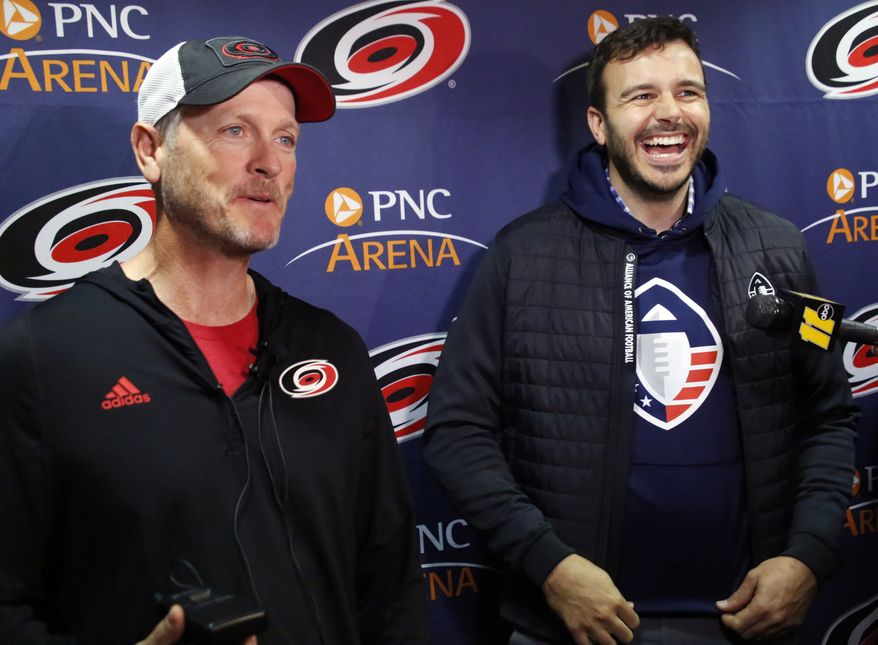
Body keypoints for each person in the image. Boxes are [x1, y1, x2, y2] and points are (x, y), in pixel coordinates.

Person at [423, 17, 858, 645]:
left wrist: (809, 556)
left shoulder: (778, 248)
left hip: (747, 623)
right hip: (572, 627)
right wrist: (551, 566)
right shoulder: (524, 255)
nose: (669, 113)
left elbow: (828, 415)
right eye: (641, 95)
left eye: (687, 92)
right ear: (599, 124)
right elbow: (458, 432)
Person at [0, 36, 425, 644]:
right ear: (151, 151)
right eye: (234, 130)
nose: (269, 163)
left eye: (285, 138)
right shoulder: (44, 357)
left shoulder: (332, 347)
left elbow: (392, 585)